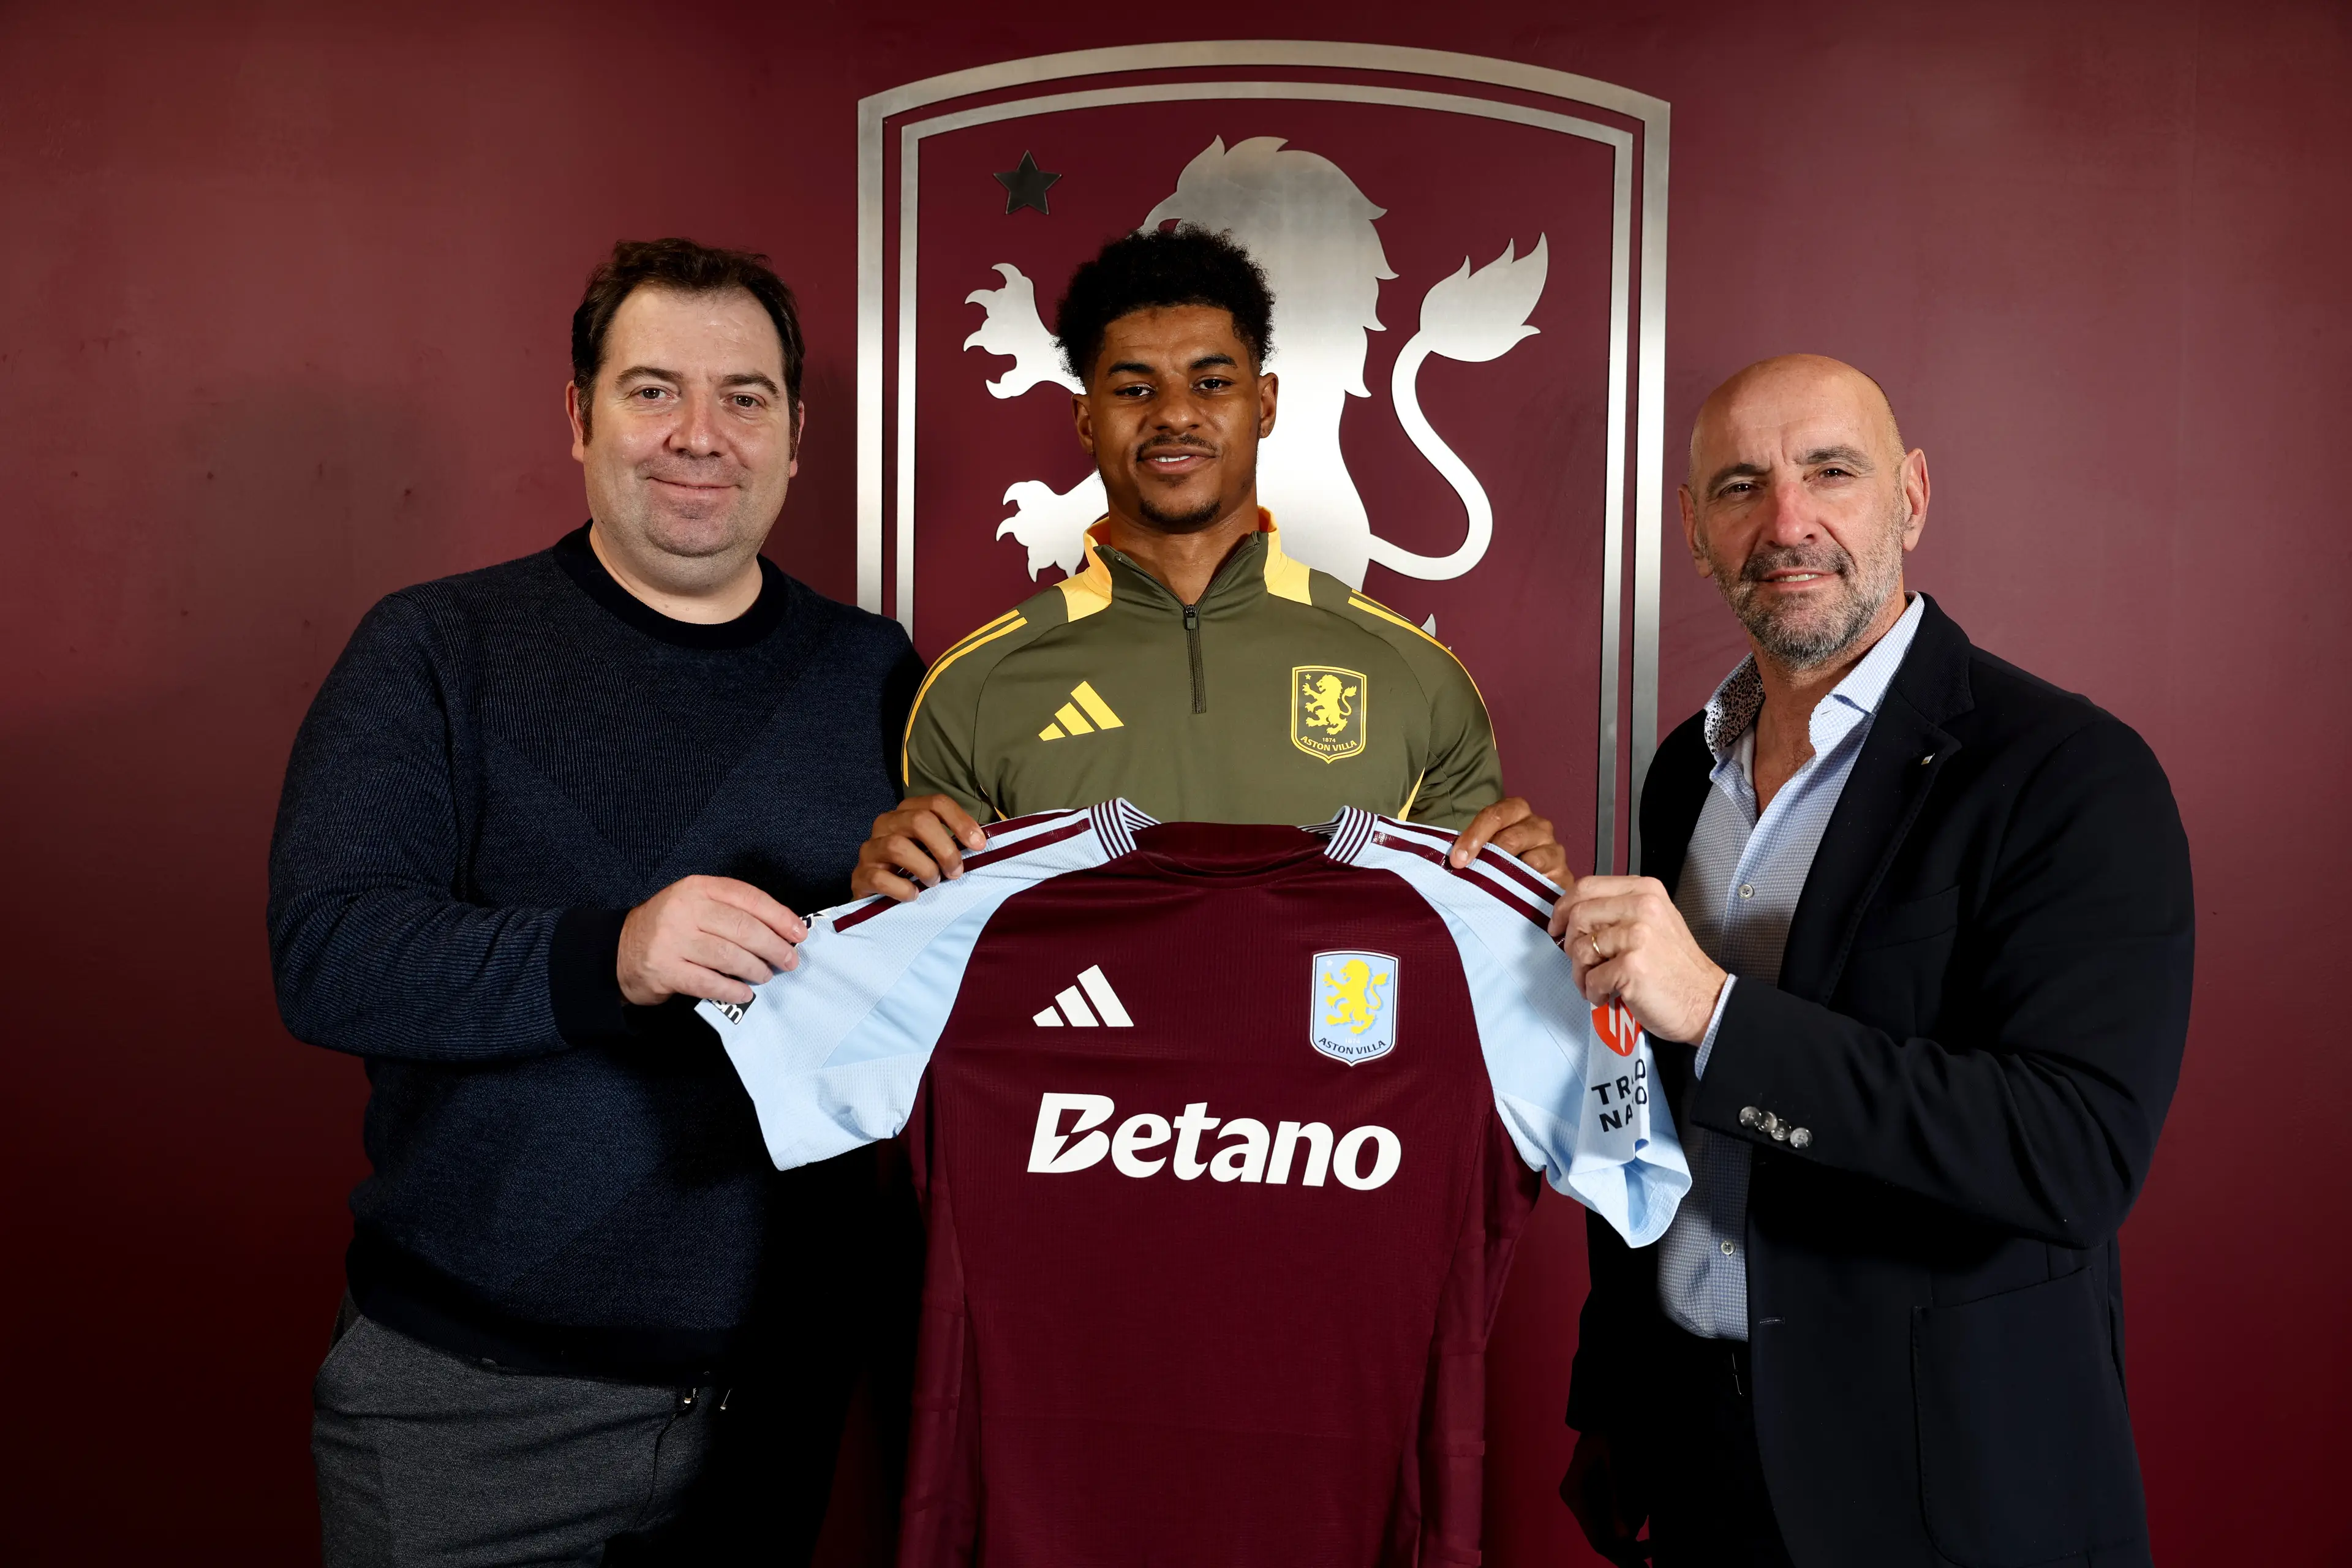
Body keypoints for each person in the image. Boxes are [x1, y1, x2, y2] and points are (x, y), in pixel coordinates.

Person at [269, 238, 922, 1566]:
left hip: (777, 1395)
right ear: (578, 418)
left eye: (743, 397)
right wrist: (611, 952)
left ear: (796, 433)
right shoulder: (435, 646)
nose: (699, 435)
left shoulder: (879, 670)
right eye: (651, 390)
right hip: (474, 1395)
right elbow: (328, 951)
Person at [1551, 355, 2192, 1567]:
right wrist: (1618, 1391)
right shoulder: (1687, 775)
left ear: (1911, 496)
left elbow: (2071, 1153)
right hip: (1697, 1463)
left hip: (1945, 1491)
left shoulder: (2069, 773)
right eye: (1741, 486)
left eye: (1829, 473)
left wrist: (1721, 1014)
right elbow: (1647, 1100)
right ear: (1694, 528)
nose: (1787, 522)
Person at [852, 225, 1564, 900]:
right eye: (1135, 388)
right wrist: (889, 901)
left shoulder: (1419, 677)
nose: (1175, 415)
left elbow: (1468, 949)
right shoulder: (972, 689)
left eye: (1212, 383)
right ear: (1084, 420)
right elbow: (943, 960)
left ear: (1266, 403)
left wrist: (1529, 892)